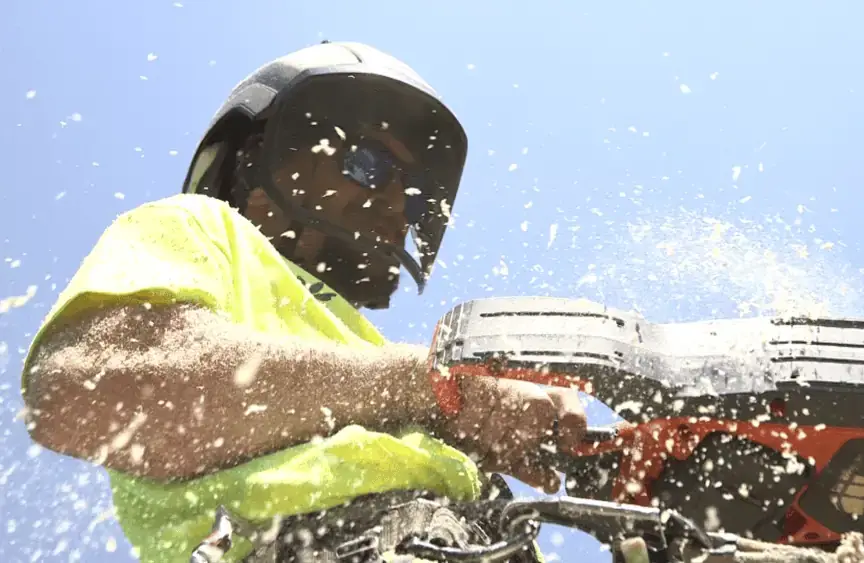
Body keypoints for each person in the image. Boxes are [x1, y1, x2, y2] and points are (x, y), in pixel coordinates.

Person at [19, 41, 588, 563]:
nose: (396, 202)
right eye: (369, 165)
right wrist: (425, 385)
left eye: (414, 200)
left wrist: (593, 463)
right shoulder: (203, 229)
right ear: (260, 157)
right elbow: (86, 392)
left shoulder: (361, 346)